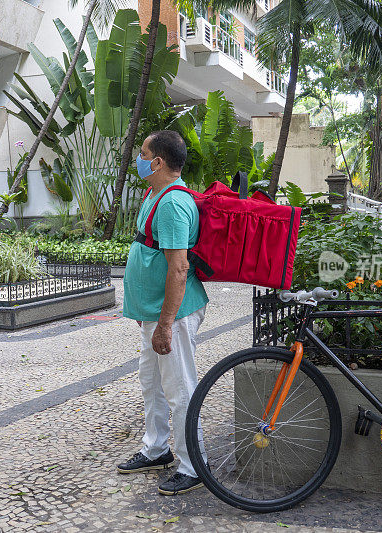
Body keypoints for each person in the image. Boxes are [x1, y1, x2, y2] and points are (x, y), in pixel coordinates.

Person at [117, 130, 209, 496]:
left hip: (173, 315)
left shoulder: (172, 203)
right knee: (152, 383)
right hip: (154, 313)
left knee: (180, 387)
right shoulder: (155, 194)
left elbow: (178, 267)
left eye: (143, 154)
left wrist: (166, 324)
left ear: (157, 162)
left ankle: (193, 464)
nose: (139, 159)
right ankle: (156, 449)